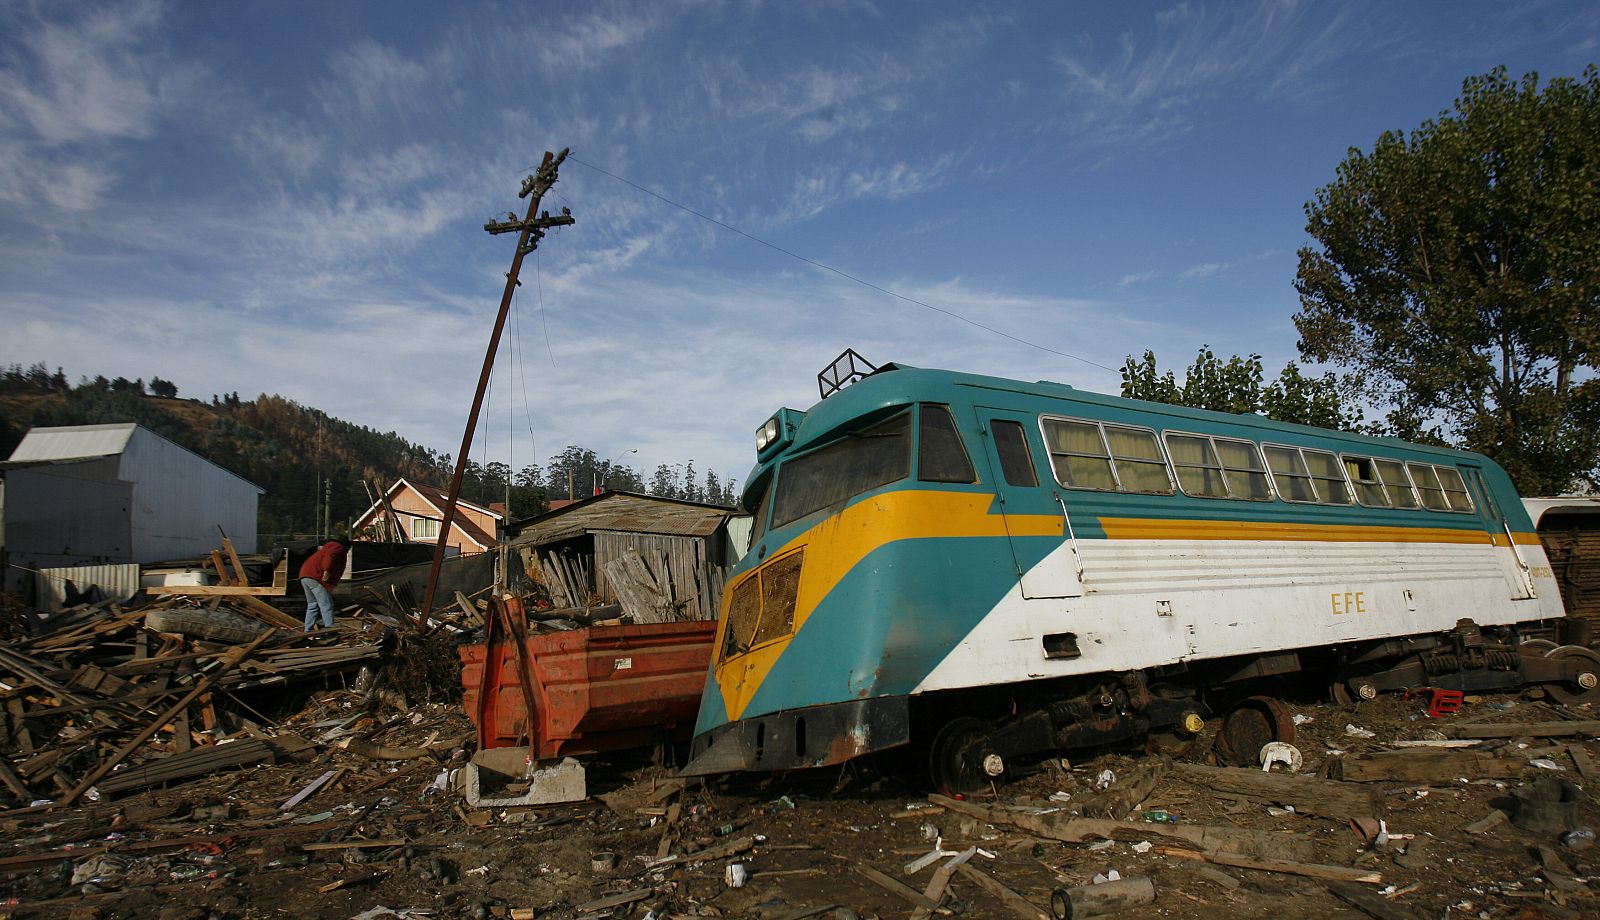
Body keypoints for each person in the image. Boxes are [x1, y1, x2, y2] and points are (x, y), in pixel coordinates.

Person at [299, 538, 351, 631]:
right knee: (326, 605)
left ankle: (307, 630)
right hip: (316, 576)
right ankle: (329, 629)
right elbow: (329, 556)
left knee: (312, 605)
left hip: (305, 575)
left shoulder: (327, 547)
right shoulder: (337, 547)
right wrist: (326, 571)